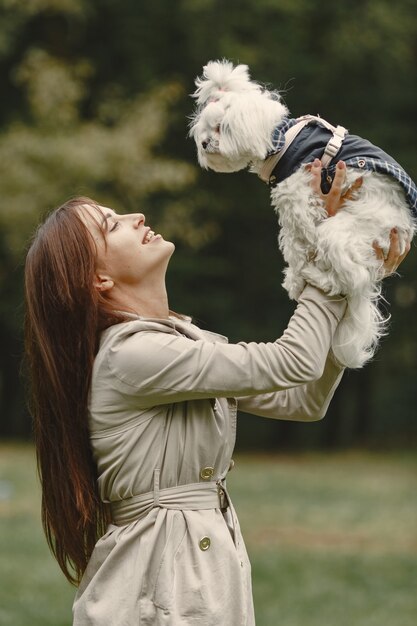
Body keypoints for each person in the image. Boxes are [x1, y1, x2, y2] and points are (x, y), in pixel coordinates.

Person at [24, 160, 409, 626]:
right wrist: (331, 252)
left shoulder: (179, 341)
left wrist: (354, 278)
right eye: (112, 225)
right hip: (159, 587)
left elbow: (303, 398)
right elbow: (294, 360)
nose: (136, 218)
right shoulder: (133, 356)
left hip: (196, 572)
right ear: (97, 279)